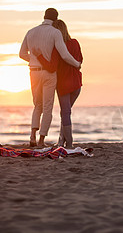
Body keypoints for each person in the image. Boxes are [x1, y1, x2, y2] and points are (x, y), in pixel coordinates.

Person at [19, 8, 81, 147]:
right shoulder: (55, 32)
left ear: (44, 16)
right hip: (48, 73)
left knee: (37, 105)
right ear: (56, 18)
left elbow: (22, 54)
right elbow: (64, 55)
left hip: (33, 71)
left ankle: (32, 137)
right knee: (47, 107)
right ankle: (42, 141)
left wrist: (34, 59)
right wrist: (77, 63)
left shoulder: (30, 32)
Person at [34, 19, 83, 148]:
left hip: (64, 85)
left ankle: (69, 143)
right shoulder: (75, 42)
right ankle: (62, 140)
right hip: (77, 84)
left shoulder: (56, 48)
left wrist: (39, 56)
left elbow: (51, 67)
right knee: (66, 113)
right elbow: (80, 60)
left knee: (65, 112)